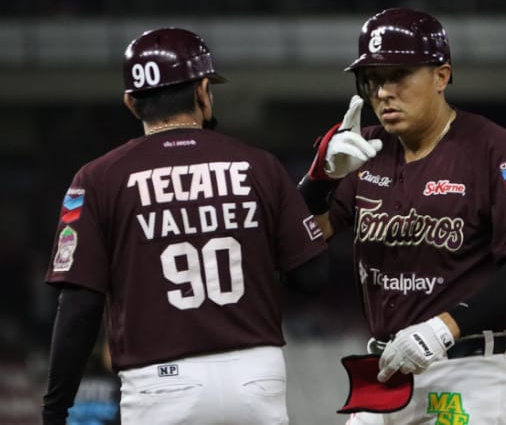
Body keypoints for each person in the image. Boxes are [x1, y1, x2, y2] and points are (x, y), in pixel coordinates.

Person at [42, 27, 329, 425]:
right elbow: (311, 277)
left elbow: (78, 306)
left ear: (131, 102)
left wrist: (56, 408)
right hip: (257, 375)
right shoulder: (259, 165)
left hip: (161, 381)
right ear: (202, 90)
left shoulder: (96, 179)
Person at [297, 7, 506, 424]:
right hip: (385, 376)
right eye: (372, 80)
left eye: (398, 75)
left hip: (473, 369)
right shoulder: (363, 149)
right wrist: (320, 179)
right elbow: (295, 246)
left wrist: (446, 326)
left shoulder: (495, 150)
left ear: (441, 76)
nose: (383, 92)